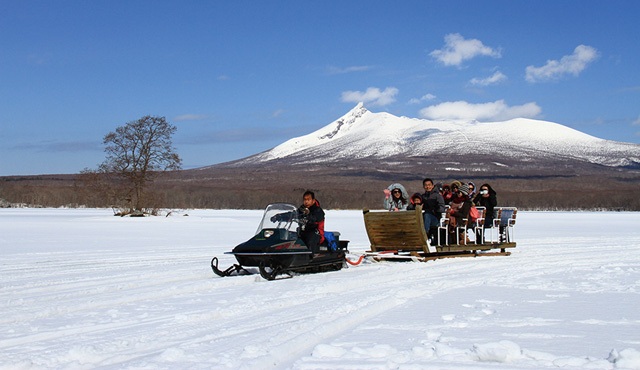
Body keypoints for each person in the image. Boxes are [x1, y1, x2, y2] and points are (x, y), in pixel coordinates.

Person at [421, 178, 446, 243]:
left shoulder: (437, 196)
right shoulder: (423, 197)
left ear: (432, 186)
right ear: (424, 186)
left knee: (427, 215)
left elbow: (442, 208)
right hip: (425, 217)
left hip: (435, 218)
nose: (427, 187)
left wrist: (435, 208)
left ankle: (425, 234)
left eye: (429, 185)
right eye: (426, 185)